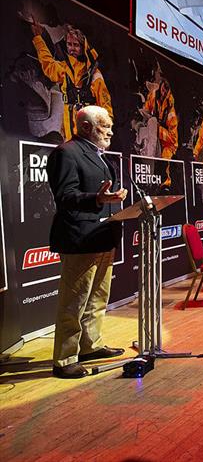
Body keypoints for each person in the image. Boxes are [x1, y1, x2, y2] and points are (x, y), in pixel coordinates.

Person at [46, 105, 128, 378]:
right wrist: (97, 198)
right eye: (105, 125)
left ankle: (90, 346)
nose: (110, 131)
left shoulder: (100, 156)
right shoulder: (66, 153)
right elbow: (65, 197)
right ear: (85, 127)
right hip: (80, 238)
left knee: (97, 297)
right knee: (75, 301)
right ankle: (65, 359)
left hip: (103, 237)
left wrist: (110, 199)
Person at [30, 19, 114, 141]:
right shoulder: (63, 67)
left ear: (83, 46)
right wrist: (38, 39)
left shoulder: (93, 72)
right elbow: (47, 63)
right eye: (69, 44)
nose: (72, 48)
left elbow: (104, 100)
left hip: (90, 127)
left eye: (76, 45)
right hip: (68, 126)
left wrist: (106, 127)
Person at [143, 63, 178, 188]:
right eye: (164, 87)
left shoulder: (171, 112)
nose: (164, 91)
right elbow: (146, 109)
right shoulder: (153, 94)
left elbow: (173, 139)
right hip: (153, 134)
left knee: (163, 165)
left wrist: (158, 129)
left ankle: (164, 185)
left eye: (167, 89)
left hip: (168, 145)